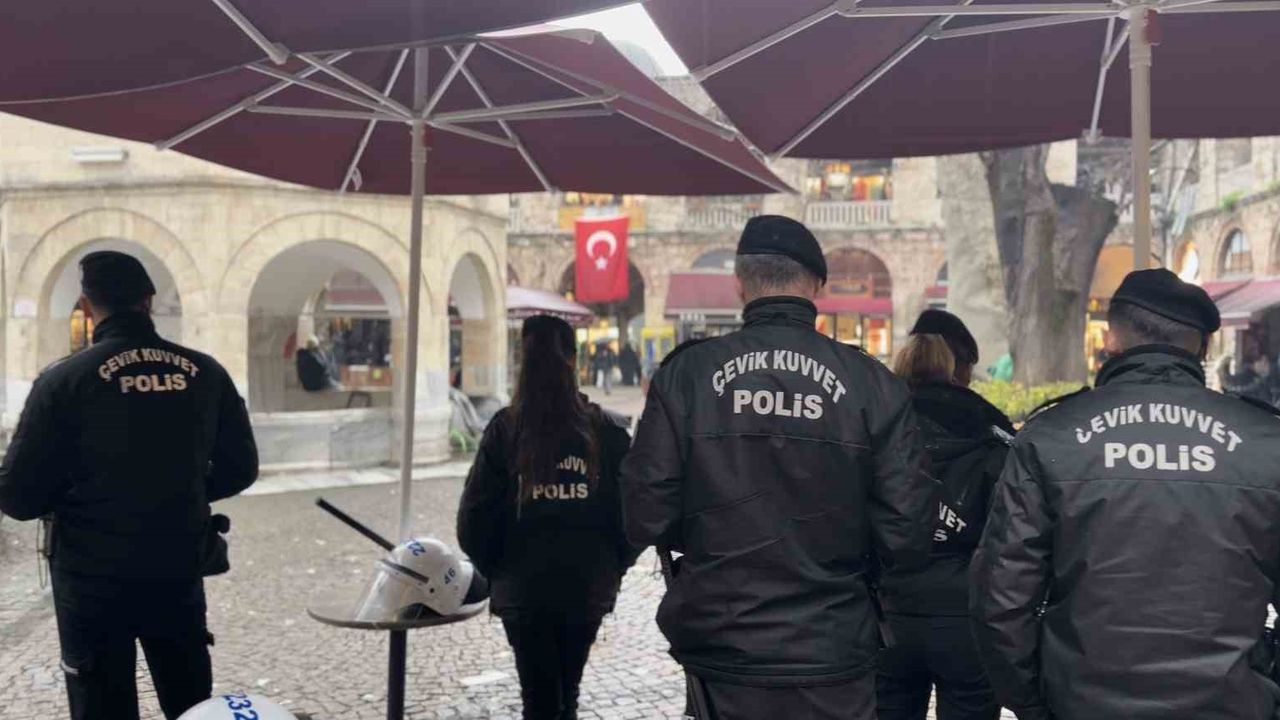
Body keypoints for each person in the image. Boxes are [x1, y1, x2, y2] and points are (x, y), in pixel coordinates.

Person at [621, 215, 936, 720]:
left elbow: (644, 514)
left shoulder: (687, 376)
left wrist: (711, 537)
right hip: (833, 643)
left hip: (724, 644)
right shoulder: (872, 384)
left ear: (739, 284)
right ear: (818, 286)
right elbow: (909, 530)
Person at [972, 268, 1280, 720]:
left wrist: (1034, 703)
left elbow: (1001, 598)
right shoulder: (1265, 442)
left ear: (1111, 339)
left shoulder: (1053, 435)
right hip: (1229, 704)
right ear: (1203, 347)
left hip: (1084, 702)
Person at [0, 251, 258, 720]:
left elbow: (17, 497)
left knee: (102, 705)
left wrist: (87, 495)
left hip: (91, 576)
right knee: (191, 702)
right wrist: (177, 490)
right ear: (148, 299)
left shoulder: (62, 381)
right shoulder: (205, 372)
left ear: (86, 304)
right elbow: (240, 468)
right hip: (176, 564)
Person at [457, 315, 639, 720]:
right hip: (586, 586)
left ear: (522, 361)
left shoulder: (505, 430)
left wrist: (499, 570)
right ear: (575, 359)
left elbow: (472, 521)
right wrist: (613, 566)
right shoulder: (608, 430)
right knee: (566, 694)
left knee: (538, 700)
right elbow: (636, 516)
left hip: (524, 590)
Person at [877, 310, 1013, 720]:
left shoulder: (877, 423)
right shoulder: (990, 430)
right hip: (964, 615)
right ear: (962, 368)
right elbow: (1011, 537)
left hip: (885, 615)